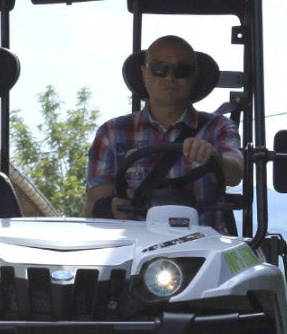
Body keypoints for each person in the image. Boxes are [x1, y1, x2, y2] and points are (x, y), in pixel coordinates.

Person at [85, 35, 244, 233]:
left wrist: (214, 158)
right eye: (159, 68)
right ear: (145, 73)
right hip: (134, 253)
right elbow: (94, 206)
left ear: (194, 76)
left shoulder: (218, 127)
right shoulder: (111, 133)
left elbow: (235, 173)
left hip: (208, 249)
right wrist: (113, 209)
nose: (170, 77)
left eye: (182, 70)